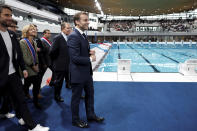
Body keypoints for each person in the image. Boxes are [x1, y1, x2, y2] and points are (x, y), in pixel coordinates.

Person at [0, 5, 49, 131]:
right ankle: (4, 112)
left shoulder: (11, 34)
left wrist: (24, 68)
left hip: (13, 75)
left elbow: (19, 55)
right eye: (6, 15)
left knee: (20, 99)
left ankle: (31, 125)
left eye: (11, 15)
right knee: (7, 98)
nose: (10, 18)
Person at [67, 12, 104, 128]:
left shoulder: (82, 35)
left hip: (87, 74)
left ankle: (91, 115)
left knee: (90, 95)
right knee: (76, 99)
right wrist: (90, 58)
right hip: (78, 74)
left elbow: (79, 51)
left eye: (88, 20)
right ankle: (75, 119)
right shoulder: (73, 36)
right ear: (77, 22)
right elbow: (74, 58)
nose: (88, 22)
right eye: (85, 20)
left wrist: (88, 52)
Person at [19, 24, 41, 109]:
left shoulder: (34, 42)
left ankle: (33, 100)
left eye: (34, 29)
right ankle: (29, 98)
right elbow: (25, 57)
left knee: (33, 85)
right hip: (28, 67)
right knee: (30, 84)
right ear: (26, 32)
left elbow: (36, 55)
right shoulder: (23, 42)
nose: (34, 30)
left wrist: (37, 65)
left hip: (35, 66)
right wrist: (33, 66)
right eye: (32, 30)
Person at [49, 22, 71, 102]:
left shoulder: (67, 37)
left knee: (65, 80)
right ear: (62, 29)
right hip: (60, 65)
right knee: (59, 82)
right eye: (68, 28)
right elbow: (51, 51)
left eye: (70, 28)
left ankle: (66, 87)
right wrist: (57, 60)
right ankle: (57, 96)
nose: (69, 29)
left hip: (67, 64)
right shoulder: (58, 37)